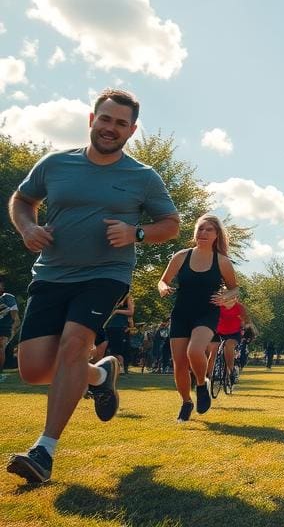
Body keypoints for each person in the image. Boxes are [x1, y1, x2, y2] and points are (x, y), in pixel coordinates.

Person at [6, 88, 180, 483]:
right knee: (33, 370)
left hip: (106, 275)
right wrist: (29, 227)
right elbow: (22, 199)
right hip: (51, 273)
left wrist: (136, 232)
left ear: (131, 131)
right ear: (91, 119)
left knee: (72, 345)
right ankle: (99, 376)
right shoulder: (55, 164)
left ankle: (44, 451)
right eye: (105, 119)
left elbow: (170, 225)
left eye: (121, 123)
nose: (110, 128)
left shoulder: (142, 177)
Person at [158, 214, 239, 422]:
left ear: (216, 235)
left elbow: (235, 289)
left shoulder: (222, 261)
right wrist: (164, 287)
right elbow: (163, 281)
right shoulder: (181, 256)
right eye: (200, 229)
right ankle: (186, 402)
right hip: (181, 313)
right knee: (180, 363)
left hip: (207, 312)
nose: (203, 233)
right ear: (195, 232)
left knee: (195, 350)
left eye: (209, 230)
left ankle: (202, 385)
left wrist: (226, 297)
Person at [207, 297, 250, 388]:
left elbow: (246, 321)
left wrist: (244, 326)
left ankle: (230, 372)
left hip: (234, 333)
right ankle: (208, 376)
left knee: (229, 345)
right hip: (218, 332)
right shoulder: (217, 306)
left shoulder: (239, 307)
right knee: (213, 351)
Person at [104, 293, 135, 374]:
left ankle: (121, 369)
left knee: (117, 351)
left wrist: (117, 311)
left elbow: (131, 312)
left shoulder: (127, 297)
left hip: (119, 327)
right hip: (108, 326)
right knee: (107, 349)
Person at [0, 277, 20, 382]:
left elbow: (15, 316)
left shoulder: (8, 298)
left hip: (4, 327)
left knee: (1, 348)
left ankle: (0, 373)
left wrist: (15, 326)